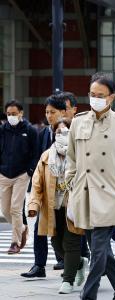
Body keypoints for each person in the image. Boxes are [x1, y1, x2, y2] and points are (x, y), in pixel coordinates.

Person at [66, 72, 115, 300]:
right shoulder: (78, 122)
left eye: (100, 95)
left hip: (109, 195)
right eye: (92, 94)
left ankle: (88, 295)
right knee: (102, 250)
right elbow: (72, 158)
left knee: (97, 251)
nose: (95, 98)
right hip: (84, 193)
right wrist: (70, 181)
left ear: (111, 97)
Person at [28, 118, 88, 294]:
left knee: (71, 244)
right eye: (58, 132)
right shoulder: (47, 156)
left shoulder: (81, 154)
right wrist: (33, 205)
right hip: (52, 208)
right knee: (56, 244)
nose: (62, 135)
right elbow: (37, 183)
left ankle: (67, 281)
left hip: (74, 206)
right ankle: (78, 263)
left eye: (66, 132)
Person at [22, 94, 67, 277]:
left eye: (53, 112)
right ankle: (39, 265)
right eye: (47, 112)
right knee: (39, 226)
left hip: (64, 190)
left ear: (63, 112)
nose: (49, 115)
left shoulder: (70, 131)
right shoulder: (44, 133)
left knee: (65, 228)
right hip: (45, 187)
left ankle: (69, 260)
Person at [0, 100, 39, 254]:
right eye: (8, 114)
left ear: (21, 113)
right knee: (5, 210)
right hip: (4, 174)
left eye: (14, 114)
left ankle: (15, 243)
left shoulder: (30, 130)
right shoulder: (2, 130)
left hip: (22, 174)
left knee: (16, 209)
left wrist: (30, 170)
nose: (11, 116)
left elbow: (36, 152)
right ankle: (22, 228)